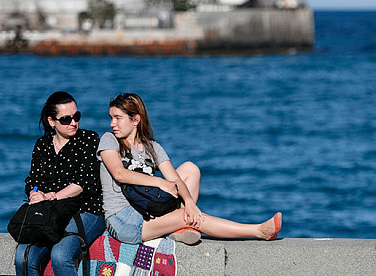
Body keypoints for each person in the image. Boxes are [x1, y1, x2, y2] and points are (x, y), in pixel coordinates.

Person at [97, 92, 281, 245]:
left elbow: (176, 179)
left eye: (118, 118)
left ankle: (178, 224)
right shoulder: (109, 140)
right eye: (111, 118)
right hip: (124, 220)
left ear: (136, 119)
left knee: (190, 169)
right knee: (187, 216)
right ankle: (258, 231)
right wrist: (160, 182)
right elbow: (119, 174)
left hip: (149, 210)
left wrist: (190, 203)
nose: (112, 123)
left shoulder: (152, 147)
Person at [13, 91, 104, 276]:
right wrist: (35, 194)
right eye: (66, 119)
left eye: (76, 116)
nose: (73, 123)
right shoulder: (41, 145)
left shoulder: (89, 139)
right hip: (51, 215)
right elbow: (32, 180)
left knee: (61, 254)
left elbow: (87, 181)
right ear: (52, 121)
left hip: (86, 211)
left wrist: (53, 196)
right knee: (24, 257)